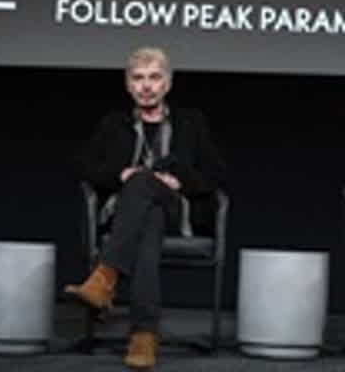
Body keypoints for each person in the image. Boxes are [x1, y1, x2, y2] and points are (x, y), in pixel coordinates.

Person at [64, 46, 227, 368]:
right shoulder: (114, 124)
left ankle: (105, 277)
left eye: (154, 78)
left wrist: (179, 182)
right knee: (148, 218)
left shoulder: (190, 122)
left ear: (167, 83)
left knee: (144, 185)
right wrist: (118, 174)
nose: (146, 86)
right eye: (138, 78)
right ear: (128, 85)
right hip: (131, 213)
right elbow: (83, 165)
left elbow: (216, 172)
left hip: (176, 209)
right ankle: (144, 335)